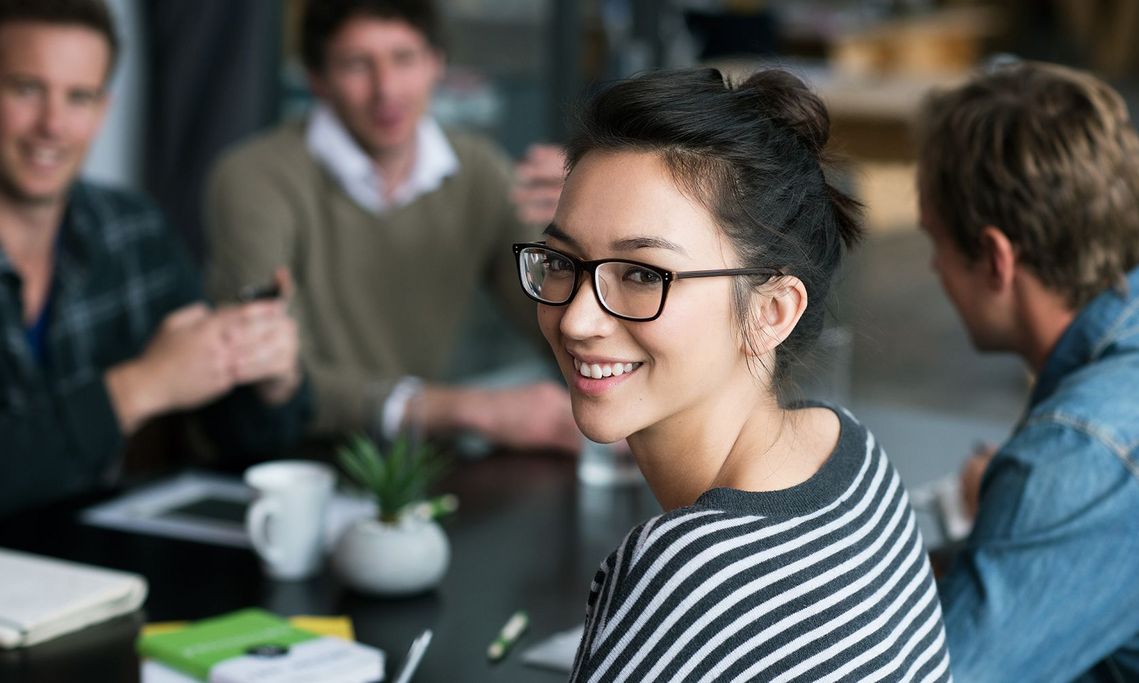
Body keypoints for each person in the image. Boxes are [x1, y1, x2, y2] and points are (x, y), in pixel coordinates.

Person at [515, 67, 951, 681]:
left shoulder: (688, 571)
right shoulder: (851, 454)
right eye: (562, 260)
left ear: (772, 311)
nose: (578, 319)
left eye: (642, 275)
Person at [205, 0, 579, 452]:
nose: (386, 90)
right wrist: (469, 408)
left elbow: (556, 327)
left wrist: (583, 232)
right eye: (357, 64)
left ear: (436, 63)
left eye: (404, 58)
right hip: (286, 461)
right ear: (317, 79)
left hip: (413, 465)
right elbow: (275, 374)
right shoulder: (255, 177)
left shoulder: (478, 170)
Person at [0, 0, 309, 517]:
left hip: (95, 572)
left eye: (79, 97)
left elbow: (240, 441)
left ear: (103, 111)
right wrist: (141, 387)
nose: (52, 125)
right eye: (26, 90)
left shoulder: (133, 230)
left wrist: (267, 376)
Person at [917, 61, 1139, 681]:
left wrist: (1027, 500)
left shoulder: (1076, 453)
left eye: (935, 241)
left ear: (994, 257)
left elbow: (945, 675)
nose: (933, 268)